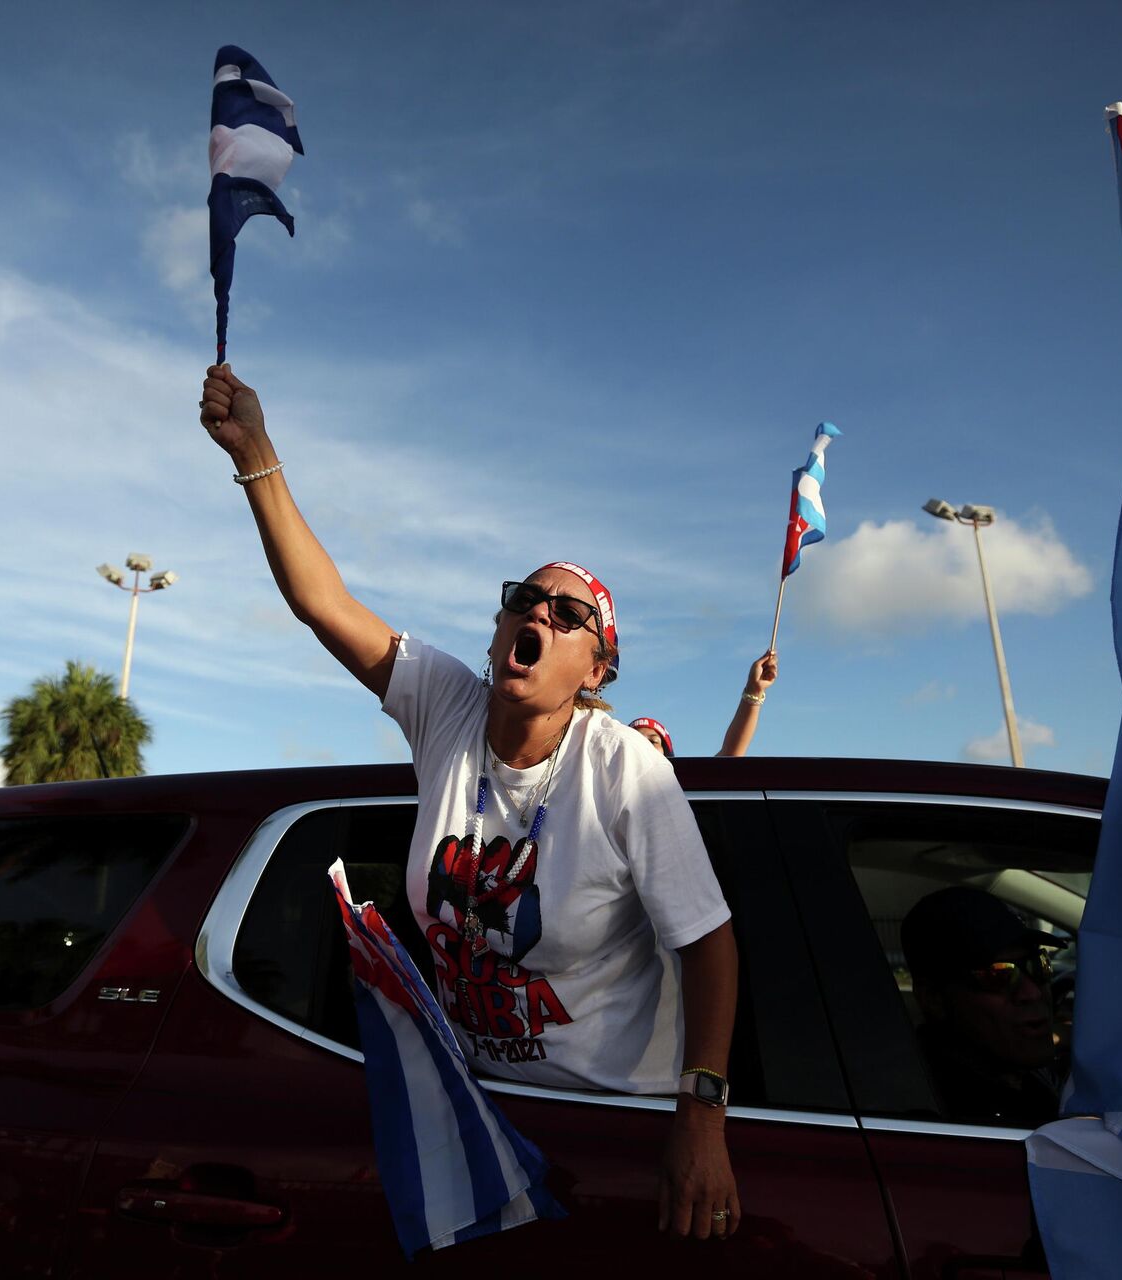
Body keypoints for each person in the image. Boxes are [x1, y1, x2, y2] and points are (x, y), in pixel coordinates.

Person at [199, 364, 742, 1242]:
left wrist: (702, 1113)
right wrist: (257, 454)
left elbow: (709, 942)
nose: (541, 614)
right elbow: (322, 602)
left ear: (596, 670)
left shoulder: (624, 770)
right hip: (476, 1119)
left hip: (607, 1133)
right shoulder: (446, 708)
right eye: (525, 600)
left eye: (570, 615)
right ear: (499, 632)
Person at [900, 885, 1066, 1128]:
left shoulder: (1019, 1073)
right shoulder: (942, 1116)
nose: (1031, 992)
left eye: (1038, 965)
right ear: (934, 998)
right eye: (997, 975)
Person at [627, 650, 779, 761]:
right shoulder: (607, 790)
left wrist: (754, 690)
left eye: (653, 741)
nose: (644, 745)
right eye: (636, 740)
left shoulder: (679, 784)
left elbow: (730, 755)